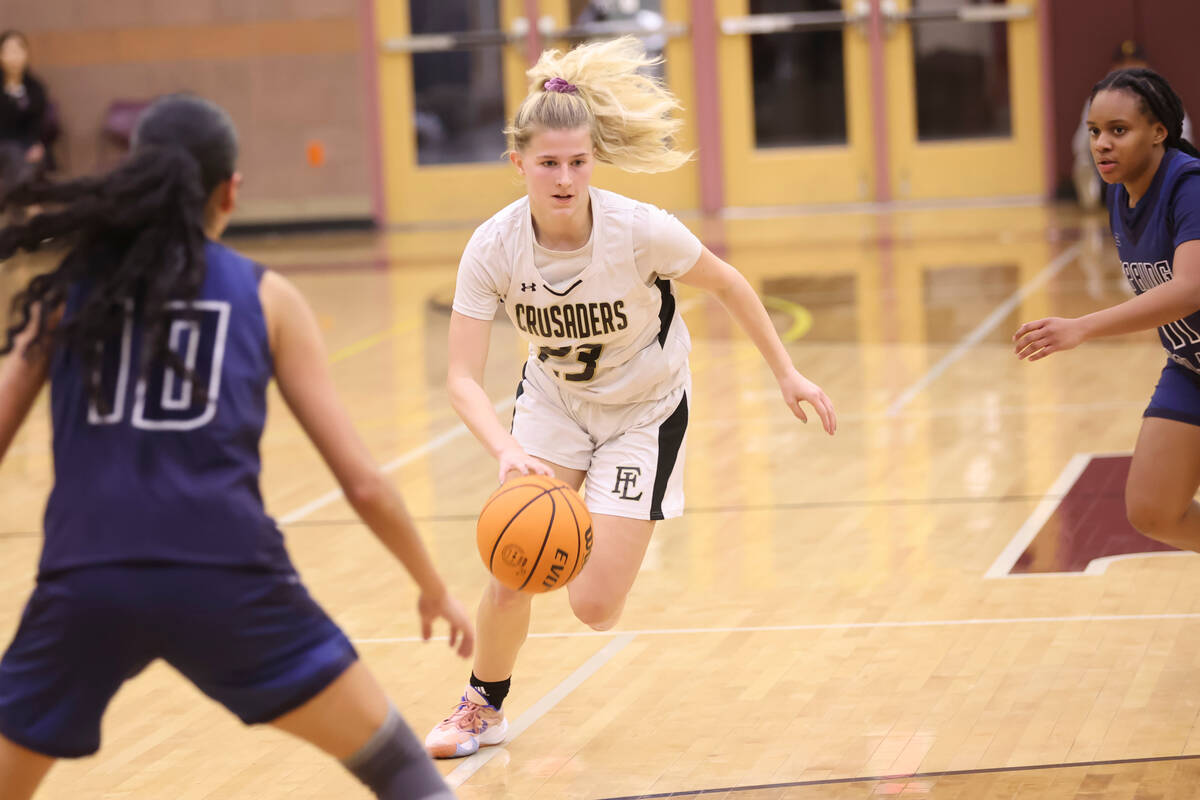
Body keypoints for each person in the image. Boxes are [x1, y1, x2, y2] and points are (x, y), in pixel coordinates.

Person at [0, 94, 472, 800]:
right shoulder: (267, 297)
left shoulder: (71, 292)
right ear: (231, 190)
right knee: (404, 772)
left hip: (86, 580)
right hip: (230, 579)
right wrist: (433, 586)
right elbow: (365, 484)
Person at [423, 36, 837, 759]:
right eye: (547, 163)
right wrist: (507, 449)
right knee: (513, 566)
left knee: (593, 607)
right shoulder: (493, 248)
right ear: (517, 163)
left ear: (593, 160)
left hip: (644, 412)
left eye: (577, 162)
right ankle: (480, 707)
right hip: (553, 403)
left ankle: (614, 515)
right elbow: (461, 377)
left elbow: (732, 284)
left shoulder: (639, 231)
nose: (563, 178)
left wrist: (787, 373)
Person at [1014, 68, 1200, 556]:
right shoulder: (1120, 194)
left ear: (1159, 131)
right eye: (1095, 132)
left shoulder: (1189, 188)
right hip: (1191, 366)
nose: (1102, 144)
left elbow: (1189, 290)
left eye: (1119, 130)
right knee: (1153, 511)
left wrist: (1081, 327)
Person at [1072, 41, 1191, 211]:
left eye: (1134, 63)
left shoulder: (1161, 96)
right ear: (1115, 67)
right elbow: (1081, 144)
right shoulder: (1099, 99)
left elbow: (1184, 137)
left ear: (1145, 66)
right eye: (1124, 64)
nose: (1129, 68)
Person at [0, 31, 58, 177]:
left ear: (26, 54)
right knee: (12, 155)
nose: (14, 57)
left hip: (27, 145)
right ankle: (24, 198)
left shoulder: (35, 88)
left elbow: (38, 124)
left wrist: (36, 145)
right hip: (3, 145)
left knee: (35, 158)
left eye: (18, 50)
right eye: (9, 51)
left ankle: (24, 198)